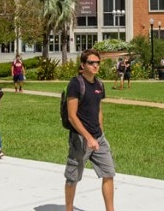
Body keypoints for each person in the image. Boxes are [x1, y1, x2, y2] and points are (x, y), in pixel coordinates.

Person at [64, 49, 115, 211]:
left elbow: (98, 109)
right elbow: (72, 116)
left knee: (108, 174)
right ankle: (69, 209)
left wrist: (100, 132)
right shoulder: (75, 84)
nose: (95, 66)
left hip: (99, 137)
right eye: (91, 63)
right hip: (80, 139)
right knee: (73, 177)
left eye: (97, 63)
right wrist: (88, 137)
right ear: (83, 65)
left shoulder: (99, 84)